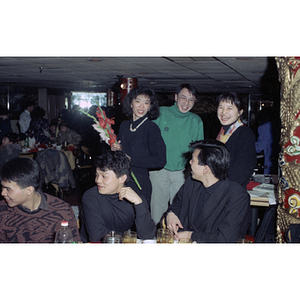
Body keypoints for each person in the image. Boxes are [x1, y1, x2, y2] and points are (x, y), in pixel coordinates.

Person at [165, 139, 250, 243]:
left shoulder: (236, 195)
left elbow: (226, 239)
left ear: (206, 169)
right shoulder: (192, 183)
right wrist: (171, 214)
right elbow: (178, 202)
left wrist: (190, 235)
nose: (190, 162)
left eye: (193, 160)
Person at [149, 83, 204, 224]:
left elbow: (198, 151)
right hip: (159, 171)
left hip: (183, 173)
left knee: (180, 214)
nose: (186, 103)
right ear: (175, 97)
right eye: (183, 98)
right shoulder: (161, 113)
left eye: (191, 100)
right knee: (157, 214)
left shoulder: (196, 121)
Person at [80, 150, 156, 242]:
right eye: (97, 175)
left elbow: (147, 236)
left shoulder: (133, 197)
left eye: (104, 176)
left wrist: (139, 204)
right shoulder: (90, 197)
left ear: (122, 178)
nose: (98, 180)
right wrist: (129, 238)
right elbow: (97, 236)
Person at [0, 157, 80, 243]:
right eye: (2, 187)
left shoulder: (61, 211)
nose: (2, 193)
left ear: (29, 190)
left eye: (8, 189)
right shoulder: (2, 210)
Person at [111, 87, 166, 207]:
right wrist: (115, 149)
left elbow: (160, 160)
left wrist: (132, 160)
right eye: (138, 101)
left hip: (139, 182)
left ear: (150, 106)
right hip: (120, 180)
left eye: (146, 103)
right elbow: (121, 155)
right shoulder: (125, 125)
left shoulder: (151, 128)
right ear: (131, 103)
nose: (142, 106)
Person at [216, 92, 256, 189]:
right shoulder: (221, 133)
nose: (224, 112)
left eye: (229, 108)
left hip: (231, 191)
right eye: (221, 107)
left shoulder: (245, 133)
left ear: (240, 112)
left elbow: (240, 171)